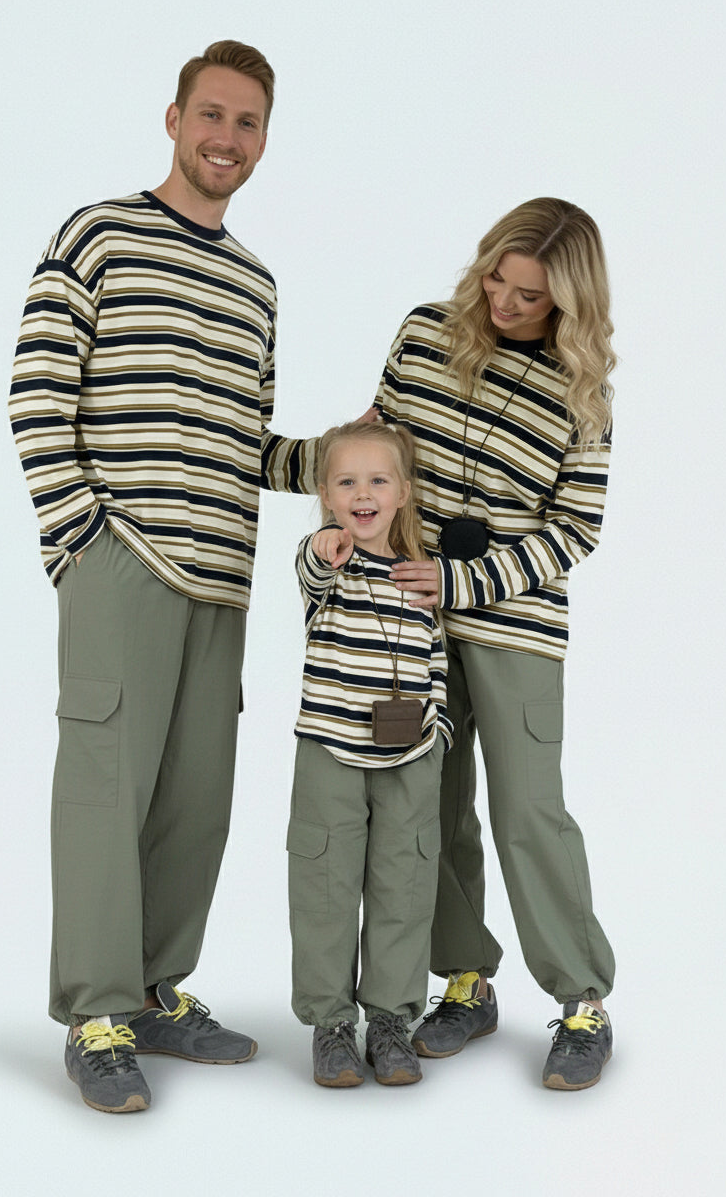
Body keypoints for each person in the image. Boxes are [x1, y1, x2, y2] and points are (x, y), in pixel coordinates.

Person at [9, 40, 300, 1114]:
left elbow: (246, 440)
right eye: (211, 115)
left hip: (222, 578)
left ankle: (156, 988)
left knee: (194, 800)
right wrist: (77, 536)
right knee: (102, 790)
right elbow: (38, 385)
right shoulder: (97, 235)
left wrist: (340, 462)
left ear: (265, 141)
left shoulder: (256, 285)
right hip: (121, 558)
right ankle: (95, 1012)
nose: (226, 138)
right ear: (172, 117)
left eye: (248, 124)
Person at [374, 198, 619, 1091]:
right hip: (408, 617)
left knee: (528, 813)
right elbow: (379, 451)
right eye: (497, 280)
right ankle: (467, 981)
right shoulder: (423, 334)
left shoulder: (583, 389)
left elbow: (576, 531)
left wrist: (468, 582)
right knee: (425, 806)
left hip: (516, 625)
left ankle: (583, 1002)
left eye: (531, 296)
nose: (505, 304)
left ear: (569, 302)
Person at [288, 420, 453, 1089]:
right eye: (347, 482)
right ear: (327, 496)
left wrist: (434, 730)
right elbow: (308, 566)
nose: (363, 493)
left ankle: (389, 1020)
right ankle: (331, 1025)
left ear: (404, 492)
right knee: (326, 887)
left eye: (378, 480)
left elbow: (436, 656)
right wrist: (322, 548)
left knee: (403, 888)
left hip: (410, 756)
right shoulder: (327, 562)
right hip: (330, 751)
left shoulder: (420, 578)